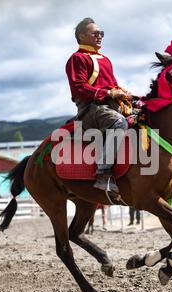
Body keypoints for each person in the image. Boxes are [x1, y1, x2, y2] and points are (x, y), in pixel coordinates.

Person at [65, 17, 132, 194]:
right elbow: (79, 88)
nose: (100, 36)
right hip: (91, 110)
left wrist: (128, 95)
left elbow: (113, 85)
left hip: (111, 105)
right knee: (118, 122)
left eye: (101, 33)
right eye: (95, 33)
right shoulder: (77, 58)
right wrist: (108, 93)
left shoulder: (105, 59)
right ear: (82, 36)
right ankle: (103, 173)